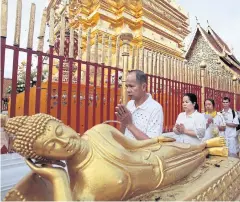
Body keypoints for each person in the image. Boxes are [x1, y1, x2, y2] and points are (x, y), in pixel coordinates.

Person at [2, 113, 227, 201]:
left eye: (60, 132)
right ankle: (207, 149)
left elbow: (134, 145)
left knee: (194, 151)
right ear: (46, 158)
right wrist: (58, 178)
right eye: (52, 146)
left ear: (65, 123)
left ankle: (207, 146)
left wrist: (156, 141)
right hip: (161, 178)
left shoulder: (99, 131)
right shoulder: (80, 187)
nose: (64, 142)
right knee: (195, 161)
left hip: (154, 154)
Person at [115, 70, 163, 140]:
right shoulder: (130, 104)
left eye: (131, 86)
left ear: (143, 87)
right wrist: (123, 122)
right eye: (127, 86)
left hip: (143, 151)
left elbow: (152, 143)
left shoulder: (155, 108)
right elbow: (123, 134)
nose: (128, 90)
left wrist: (129, 124)